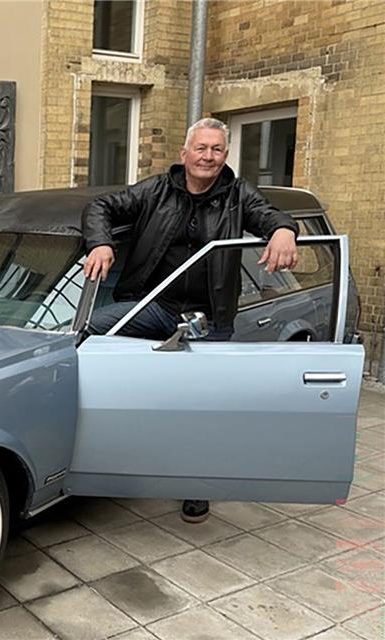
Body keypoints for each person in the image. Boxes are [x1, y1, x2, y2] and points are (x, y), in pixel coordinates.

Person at [81, 117, 299, 523]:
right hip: (154, 307)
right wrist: (100, 242)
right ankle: (100, 455)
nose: (208, 156)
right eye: (201, 148)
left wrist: (285, 230)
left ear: (225, 156)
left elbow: (269, 215)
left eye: (217, 149)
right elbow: (101, 206)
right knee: (90, 333)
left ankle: (195, 486)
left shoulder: (238, 195)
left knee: (204, 407)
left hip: (211, 318)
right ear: (185, 154)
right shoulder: (156, 189)